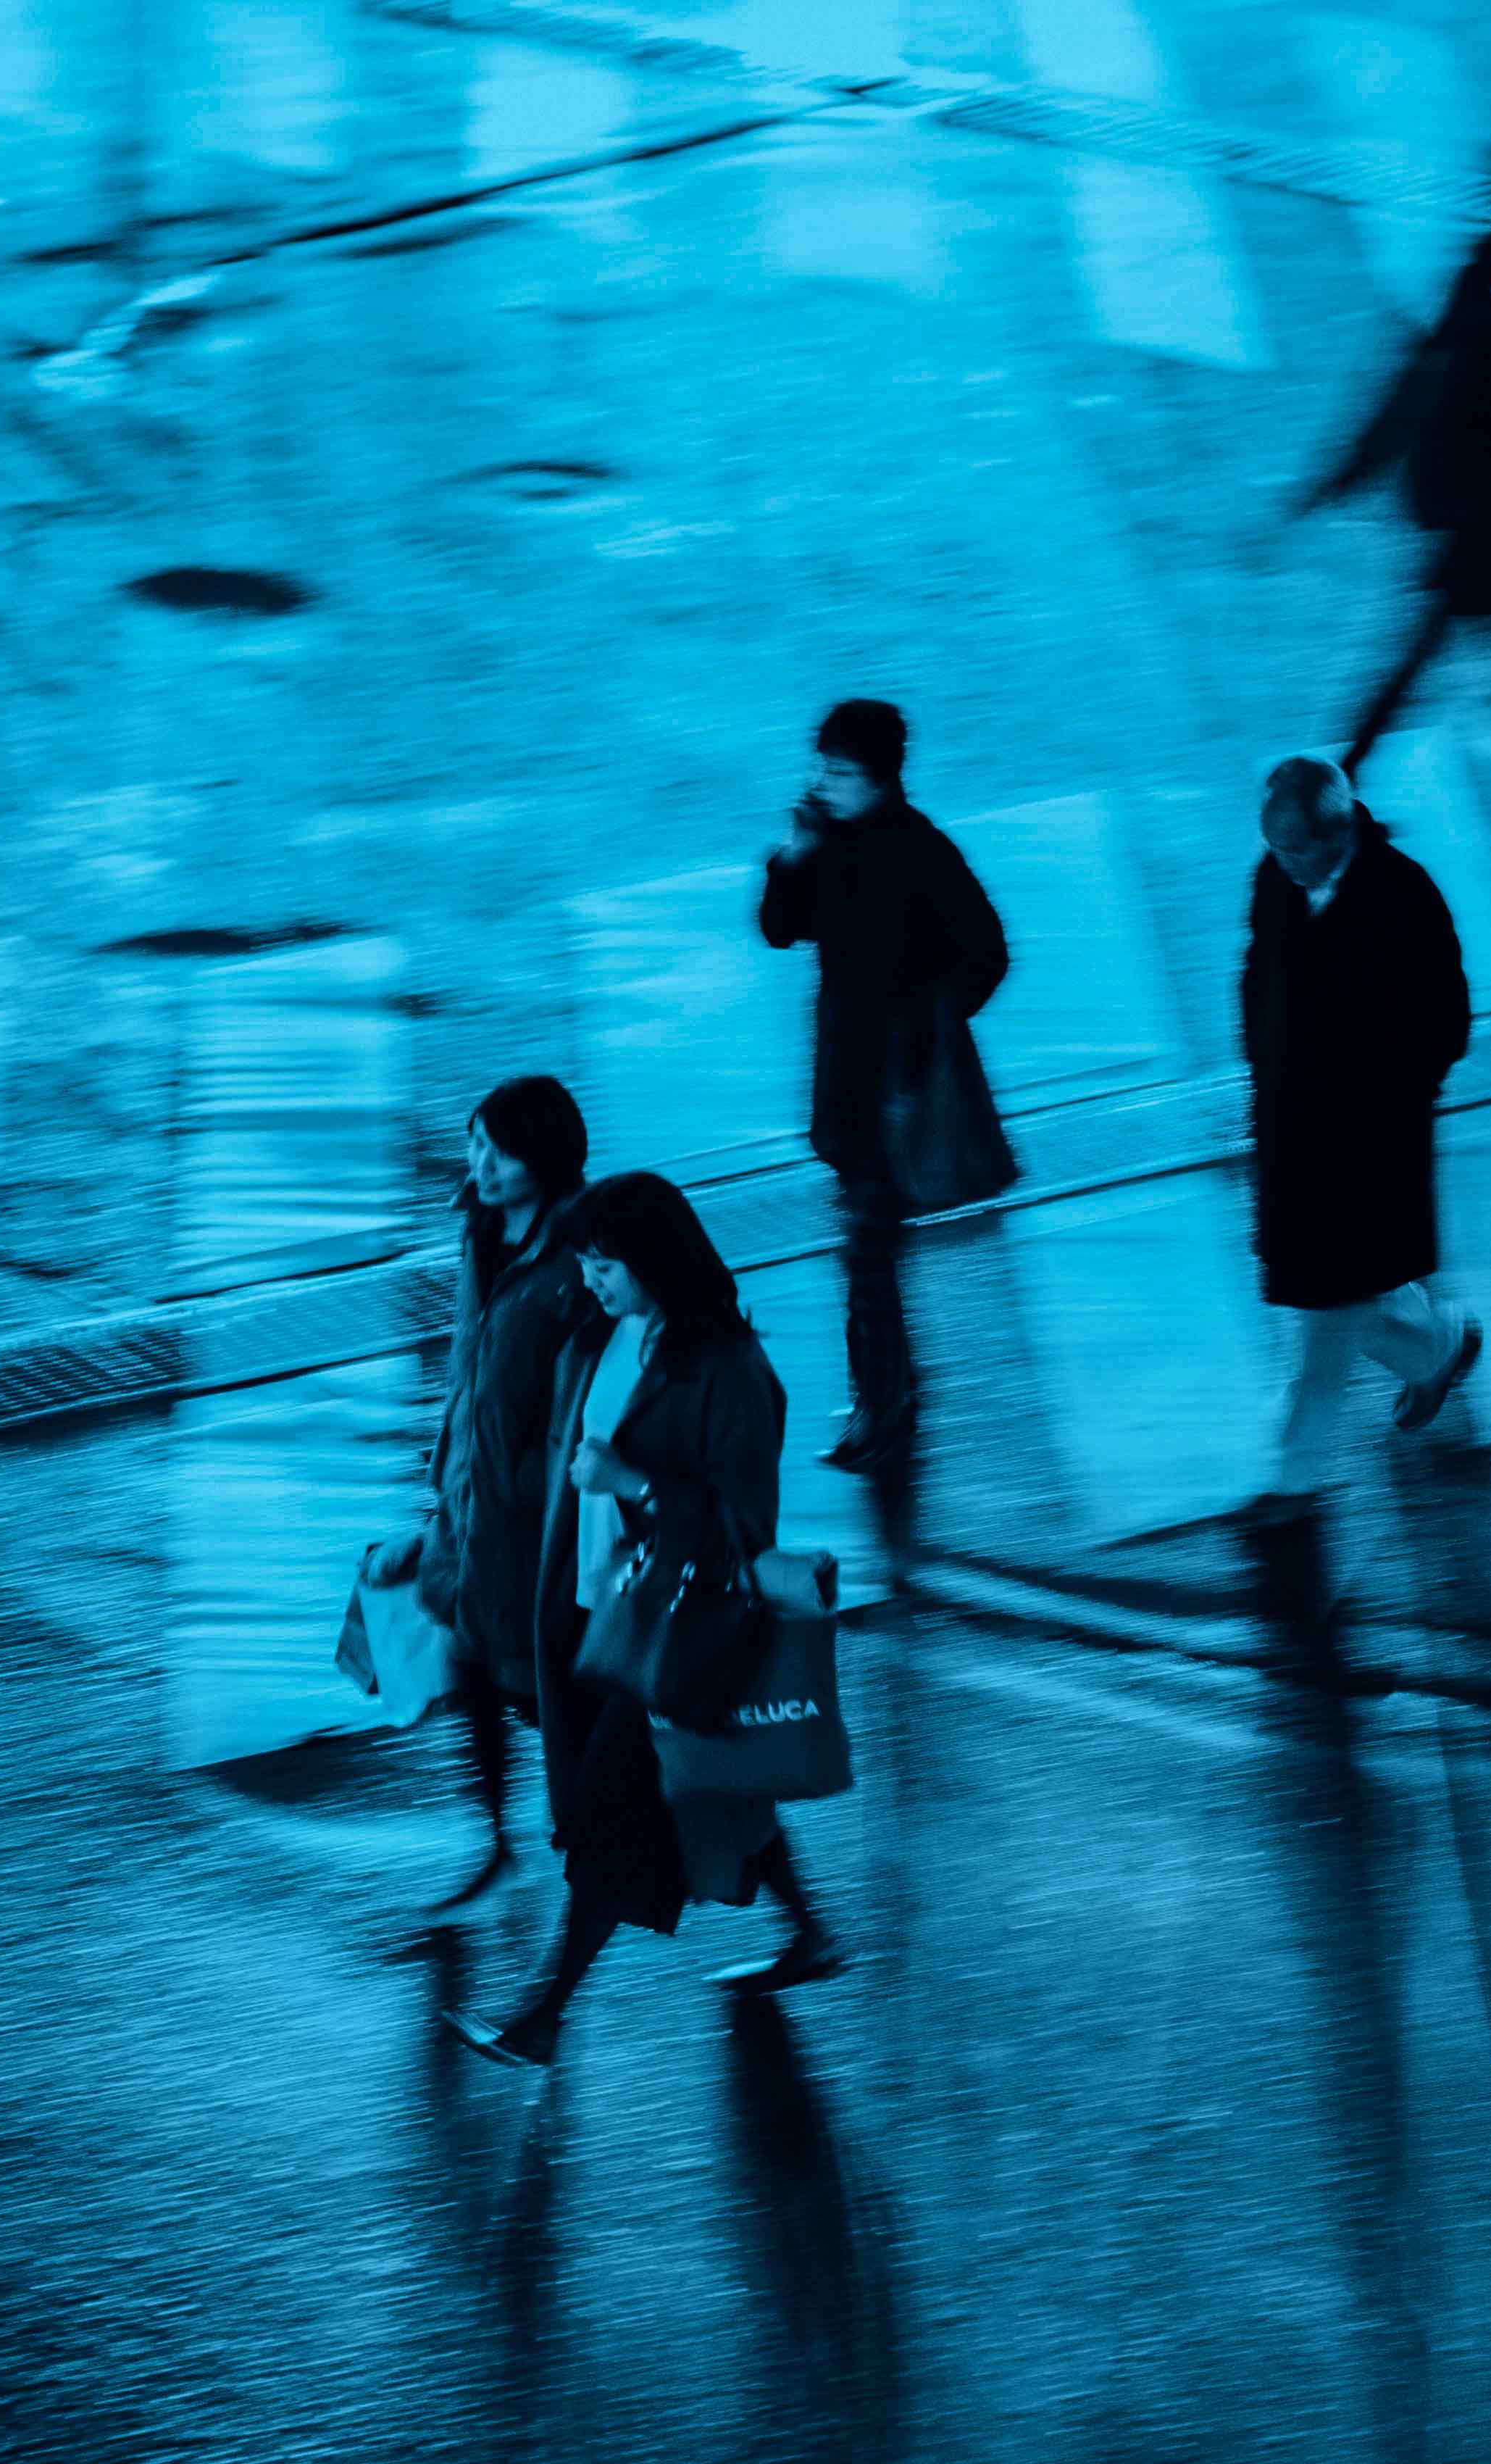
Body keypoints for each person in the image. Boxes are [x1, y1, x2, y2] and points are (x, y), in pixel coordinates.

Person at [451, 1173, 843, 2068]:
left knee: (610, 1820)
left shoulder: (735, 1376)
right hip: (613, 1610)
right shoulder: (621, 1334)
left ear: (654, 1262)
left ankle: (545, 2015)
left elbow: (742, 1533)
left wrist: (629, 1484)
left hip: (685, 1629)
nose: (589, 1278)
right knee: (714, 1790)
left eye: (604, 1263)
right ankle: (814, 1933)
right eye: (585, 1261)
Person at [756, 699, 1008, 1473]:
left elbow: (988, 953)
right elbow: (778, 927)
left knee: (867, 1255)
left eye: (840, 771)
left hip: (896, 1090)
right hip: (845, 1081)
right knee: (867, 1254)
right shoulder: (827, 841)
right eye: (821, 767)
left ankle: (885, 1407)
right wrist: (794, 855)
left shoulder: (923, 852)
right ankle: (887, 1398)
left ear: (882, 778)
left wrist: (927, 1026)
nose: (823, 783)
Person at [369, 1078, 602, 1915]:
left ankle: (601, 1863)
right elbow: (469, 1377)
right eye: (475, 1144)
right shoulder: (482, 1233)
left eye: (498, 1151)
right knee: (471, 1670)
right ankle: (502, 1843)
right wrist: (439, 1497)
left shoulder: (580, 1263)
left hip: (542, 1529)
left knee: (571, 1709)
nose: (481, 1164)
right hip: (476, 1510)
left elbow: (592, 1402)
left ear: (545, 1158)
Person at [1301, 143, 1491, 770]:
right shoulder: (1486, 290)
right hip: (1472, 498)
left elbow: (1420, 396)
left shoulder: (1487, 279)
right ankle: (1347, 772)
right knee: (1431, 643)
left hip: (1464, 493)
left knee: (1484, 624)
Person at [1243, 759, 1482, 1518]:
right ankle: (1436, 1349)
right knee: (1332, 1296)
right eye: (1274, 846)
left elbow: (1447, 1025)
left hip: (1364, 1148)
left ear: (1338, 833)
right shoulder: (1278, 880)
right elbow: (1256, 977)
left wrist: (1382, 1099)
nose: (1280, 863)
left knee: (1324, 1312)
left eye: (1294, 848)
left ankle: (1295, 1482)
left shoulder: (1403, 899)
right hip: (1294, 1135)